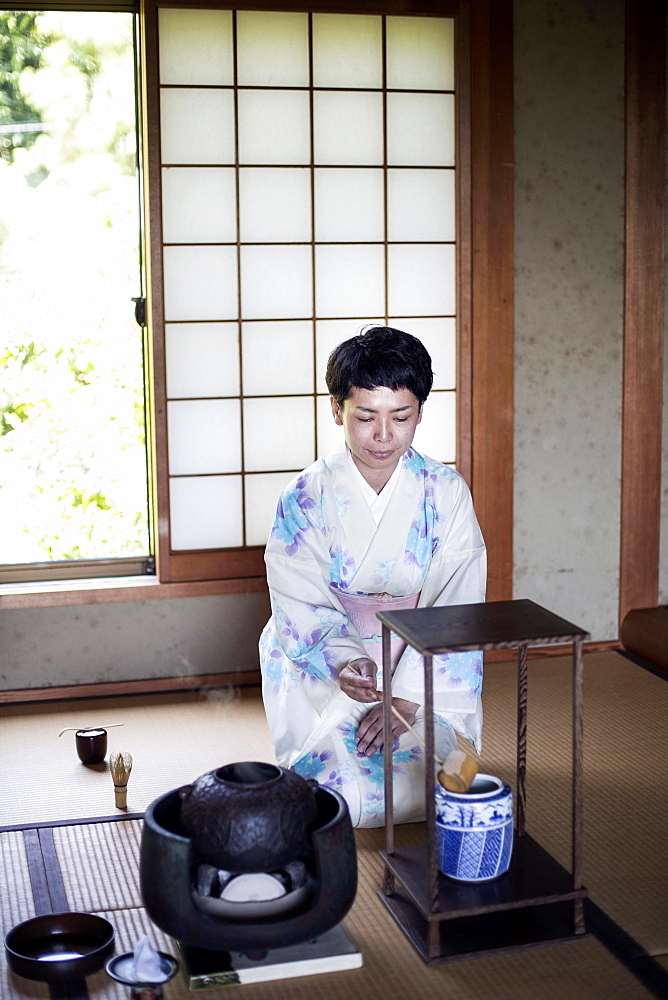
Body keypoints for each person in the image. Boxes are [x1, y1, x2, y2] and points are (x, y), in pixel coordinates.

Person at [259, 326, 486, 828]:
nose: (383, 435)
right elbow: (299, 596)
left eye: (400, 417)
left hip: (418, 659)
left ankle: (434, 731)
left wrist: (406, 696)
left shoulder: (445, 491)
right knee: (340, 797)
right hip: (333, 661)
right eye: (365, 417)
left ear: (420, 413)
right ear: (336, 411)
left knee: (443, 781)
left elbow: (458, 598)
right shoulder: (305, 497)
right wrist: (345, 665)